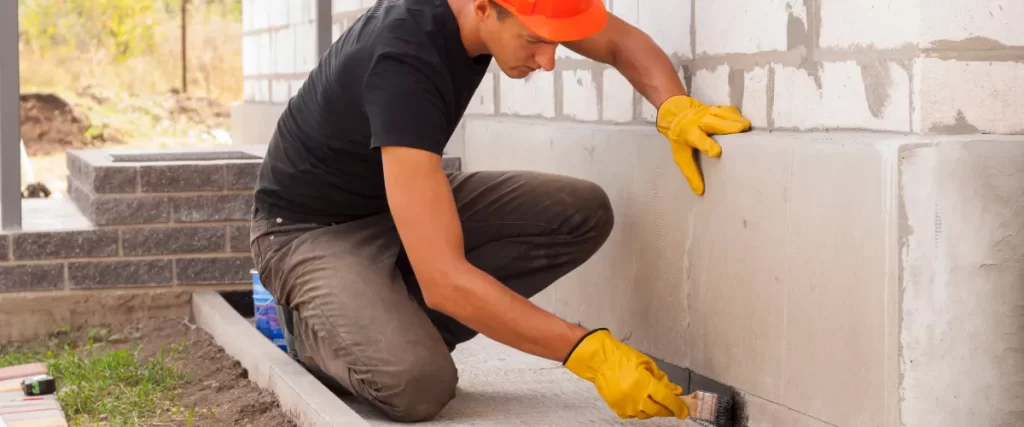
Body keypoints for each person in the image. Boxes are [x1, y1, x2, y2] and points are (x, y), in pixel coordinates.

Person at [249, 0, 751, 422]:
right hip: (308, 230)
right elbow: (444, 280)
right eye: (536, 41)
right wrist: (590, 353)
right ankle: (315, 333)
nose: (549, 60)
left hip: (390, 203)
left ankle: (392, 321)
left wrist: (674, 107)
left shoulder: (501, 11)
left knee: (579, 211)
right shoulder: (403, 63)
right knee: (416, 384)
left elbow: (619, 41)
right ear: (486, 8)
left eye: (555, 42)